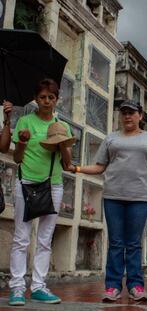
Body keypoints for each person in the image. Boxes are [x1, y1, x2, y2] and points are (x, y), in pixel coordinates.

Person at [67, 100, 147, 303]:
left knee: (134, 244)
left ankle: (136, 286)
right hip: (113, 197)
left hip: (139, 198)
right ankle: (112, 287)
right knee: (116, 243)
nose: (127, 116)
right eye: (124, 112)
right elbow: (100, 167)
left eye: (132, 112)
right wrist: (77, 169)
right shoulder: (111, 139)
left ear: (140, 116)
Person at [8, 79, 73, 306]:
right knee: (21, 238)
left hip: (52, 184)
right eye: (43, 97)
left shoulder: (61, 125)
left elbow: (67, 164)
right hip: (25, 182)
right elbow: (16, 158)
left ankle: (38, 286)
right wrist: (23, 143)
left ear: (57, 100)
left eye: (51, 97)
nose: (47, 101)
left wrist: (63, 144)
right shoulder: (25, 121)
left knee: (45, 239)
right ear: (36, 99)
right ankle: (17, 288)